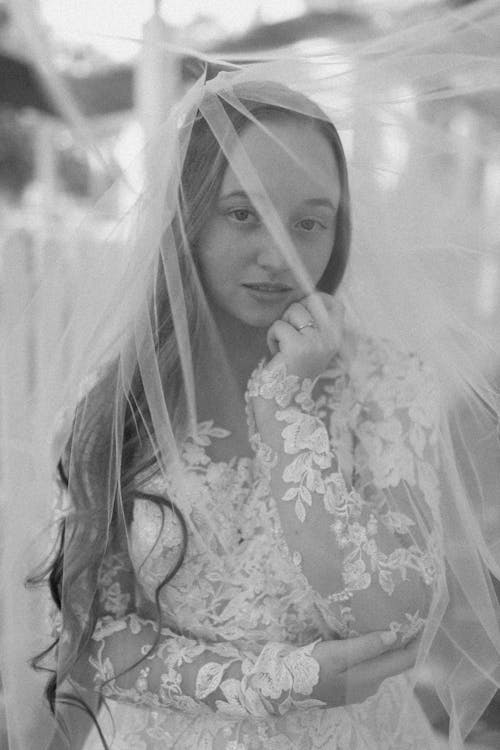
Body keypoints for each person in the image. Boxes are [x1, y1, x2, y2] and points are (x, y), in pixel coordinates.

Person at [2, 4, 500, 749]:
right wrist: (279, 679)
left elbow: (394, 618)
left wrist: (287, 406)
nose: (281, 255)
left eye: (310, 221)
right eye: (243, 214)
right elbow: (94, 635)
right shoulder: (116, 401)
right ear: (190, 216)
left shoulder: (390, 384)